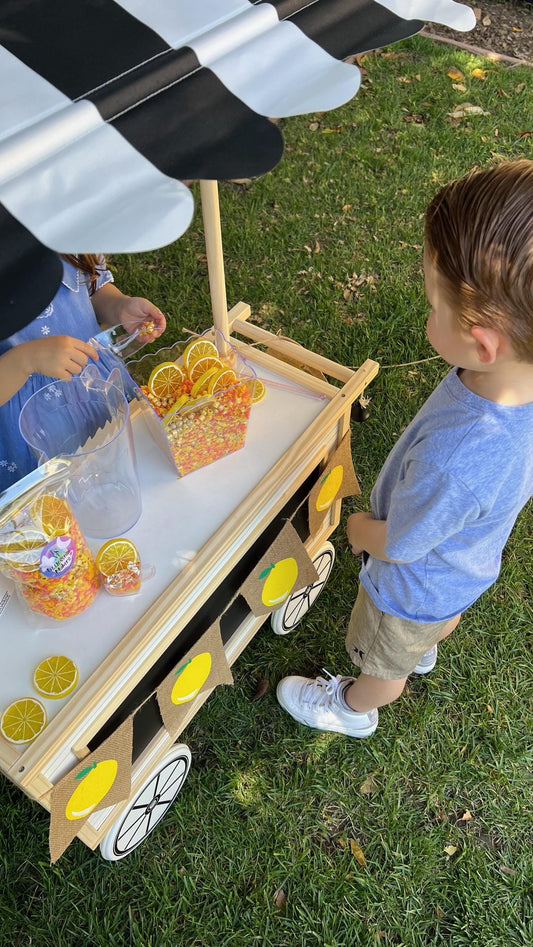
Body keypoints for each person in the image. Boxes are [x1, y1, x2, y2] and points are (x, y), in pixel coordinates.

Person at [277, 159, 533, 738]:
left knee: (381, 658)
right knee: (438, 621)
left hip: (411, 587)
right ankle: (426, 643)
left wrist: (360, 531)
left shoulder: (457, 459)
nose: (426, 316)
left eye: (434, 306)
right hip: (461, 570)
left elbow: (403, 544)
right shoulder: (516, 385)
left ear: (483, 344)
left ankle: (355, 706)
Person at [0, 254, 165, 493]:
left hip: (98, 387)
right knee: (65, 508)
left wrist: (119, 307)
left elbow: (89, 285)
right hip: (32, 424)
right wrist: (25, 360)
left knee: (139, 477)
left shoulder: (62, 222)